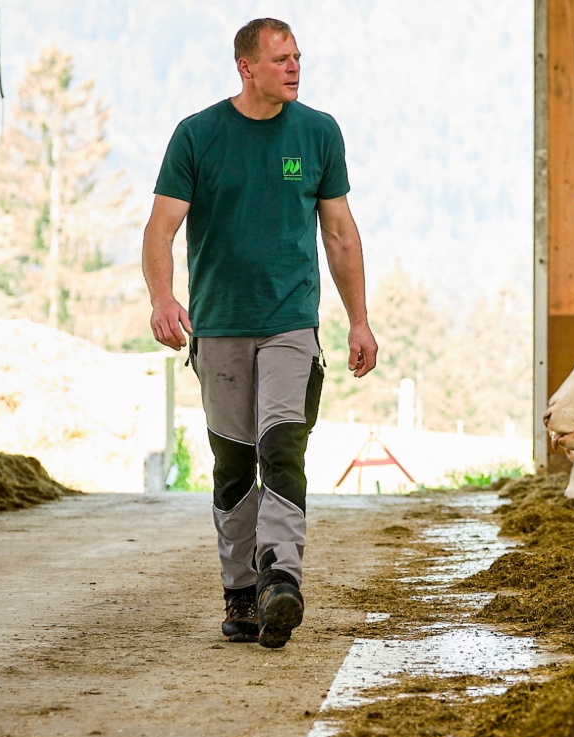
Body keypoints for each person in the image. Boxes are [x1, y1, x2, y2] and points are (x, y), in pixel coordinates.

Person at [142, 17, 378, 648]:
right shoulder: (197, 136)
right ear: (247, 67)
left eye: (298, 57)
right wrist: (164, 299)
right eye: (280, 59)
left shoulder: (319, 132)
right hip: (218, 327)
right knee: (233, 464)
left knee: (283, 448)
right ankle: (240, 592)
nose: (294, 68)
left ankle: (282, 578)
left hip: (290, 325)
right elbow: (160, 229)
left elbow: (340, 235)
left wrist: (358, 318)